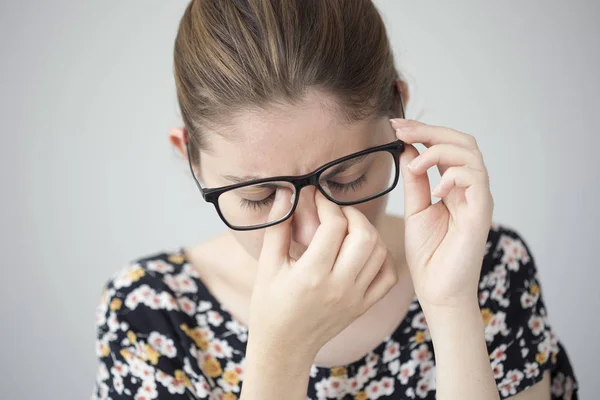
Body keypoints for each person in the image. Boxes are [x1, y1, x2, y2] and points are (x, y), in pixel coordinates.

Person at [92, 1, 578, 399]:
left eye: (346, 179)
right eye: (259, 197)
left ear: (396, 114)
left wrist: (451, 306)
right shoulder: (151, 312)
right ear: (192, 160)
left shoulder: (485, 267)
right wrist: (278, 356)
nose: (315, 233)